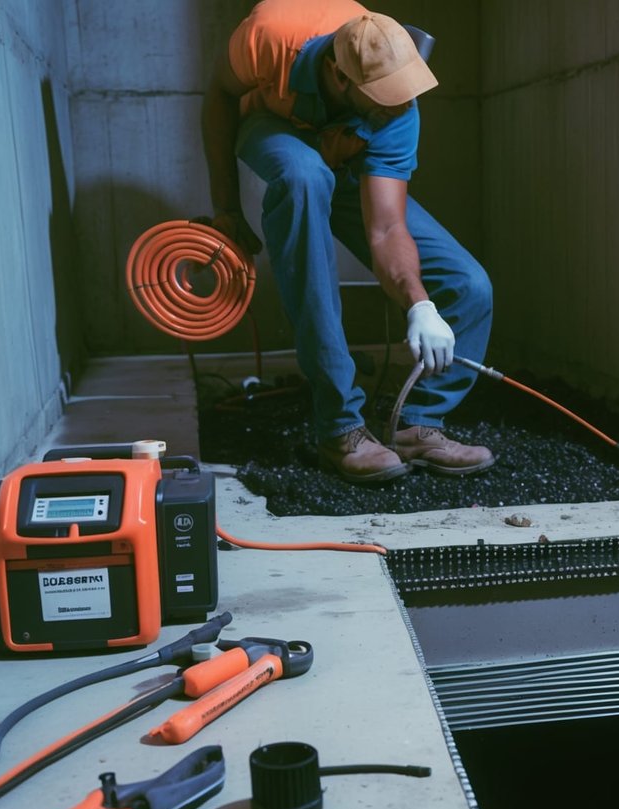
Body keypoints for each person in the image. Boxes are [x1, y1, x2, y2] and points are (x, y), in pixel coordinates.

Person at [201, 0, 494, 482]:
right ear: (339, 75)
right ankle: (340, 427)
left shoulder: (397, 105)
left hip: (348, 154)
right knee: (303, 175)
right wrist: (226, 209)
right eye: (383, 96)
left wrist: (420, 304)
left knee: (469, 285)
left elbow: (385, 228)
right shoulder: (270, 35)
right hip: (278, 129)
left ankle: (417, 424)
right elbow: (218, 95)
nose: (399, 105)